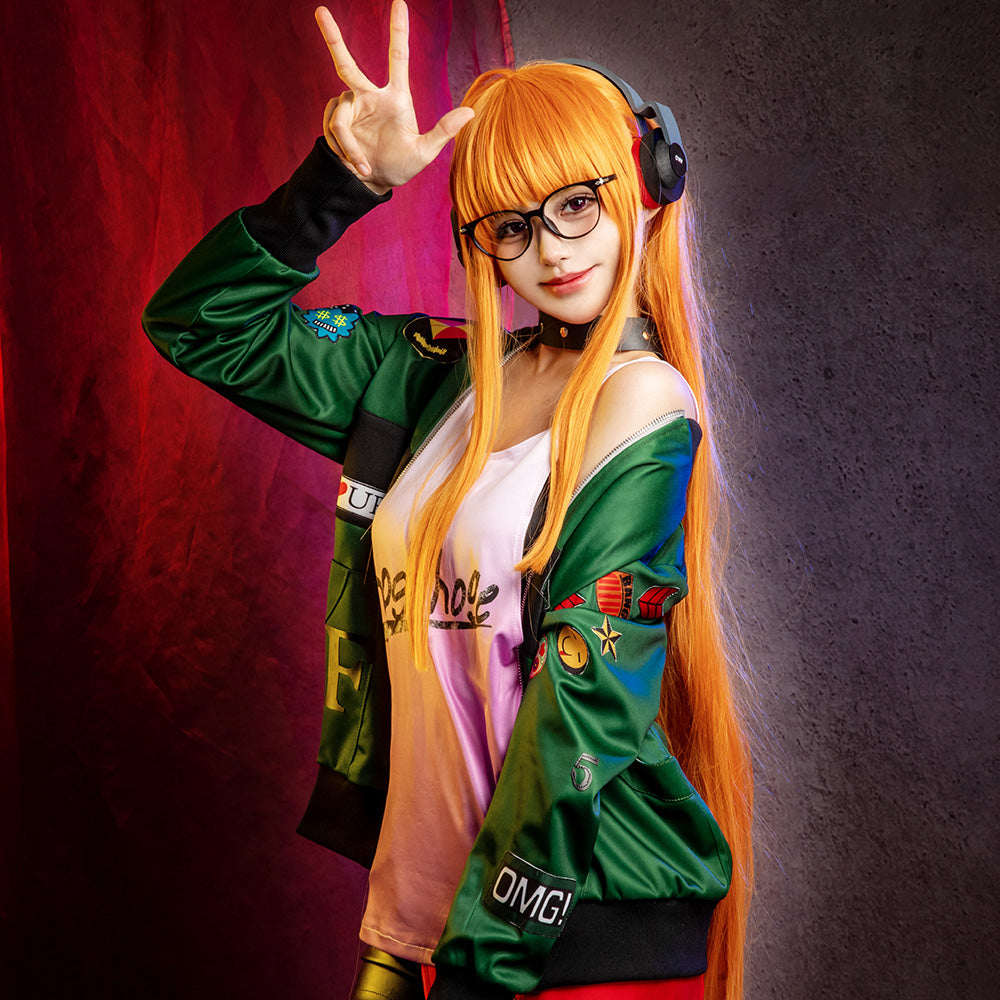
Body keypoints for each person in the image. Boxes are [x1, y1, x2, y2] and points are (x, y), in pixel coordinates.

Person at [141, 3, 754, 999]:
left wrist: (483, 967)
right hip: (423, 922)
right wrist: (341, 182)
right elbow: (198, 324)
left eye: (577, 203)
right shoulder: (428, 382)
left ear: (647, 182)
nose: (551, 249)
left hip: (560, 944)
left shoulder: (641, 401)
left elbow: (585, 699)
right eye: (511, 224)